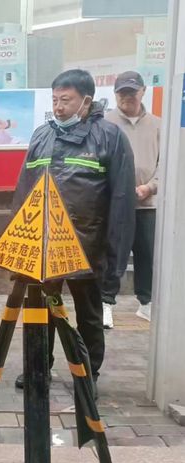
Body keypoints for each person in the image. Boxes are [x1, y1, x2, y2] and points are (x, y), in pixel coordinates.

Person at [12, 69, 136, 394]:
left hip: (88, 246)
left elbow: (121, 199)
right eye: (54, 100)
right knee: (43, 310)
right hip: (45, 245)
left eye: (65, 100)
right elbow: (25, 190)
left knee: (89, 315)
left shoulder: (109, 137)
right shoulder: (42, 136)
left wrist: (114, 255)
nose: (58, 107)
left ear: (86, 101)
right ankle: (39, 368)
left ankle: (88, 374)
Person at [102, 71, 160, 327]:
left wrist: (150, 187)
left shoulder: (158, 125)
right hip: (115, 205)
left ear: (143, 91)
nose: (127, 97)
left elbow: (167, 163)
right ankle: (105, 303)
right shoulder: (105, 124)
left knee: (147, 255)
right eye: (122, 92)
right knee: (113, 254)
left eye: (131, 92)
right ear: (115, 95)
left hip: (147, 204)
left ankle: (146, 303)